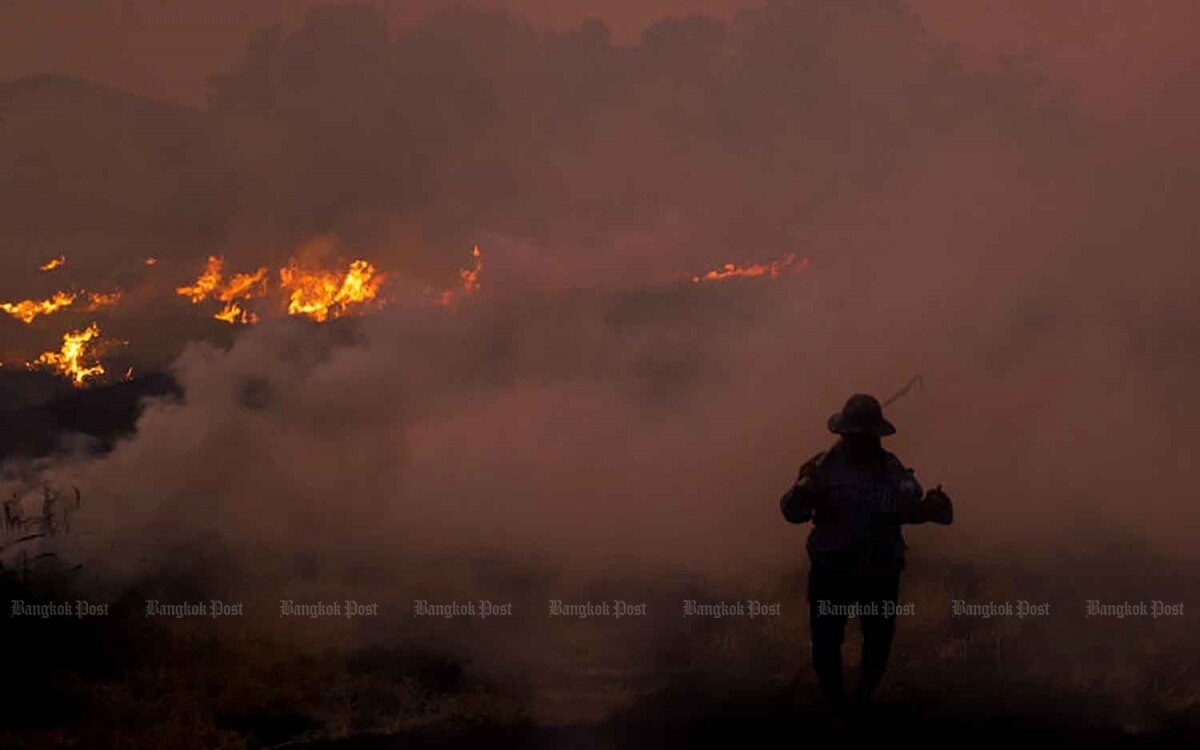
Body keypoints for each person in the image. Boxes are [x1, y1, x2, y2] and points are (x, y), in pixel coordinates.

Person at [780, 393, 953, 710]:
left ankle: (861, 699)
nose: (860, 442)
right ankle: (835, 701)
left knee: (877, 639)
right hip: (832, 568)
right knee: (826, 640)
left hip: (878, 569)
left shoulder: (892, 471)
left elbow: (912, 506)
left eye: (865, 436)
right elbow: (792, 512)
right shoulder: (823, 468)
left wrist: (930, 506)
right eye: (855, 435)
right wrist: (803, 486)